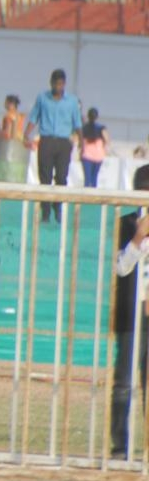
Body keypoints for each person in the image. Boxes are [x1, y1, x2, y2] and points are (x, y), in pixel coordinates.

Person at [110, 165, 149, 460]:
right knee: (124, 382)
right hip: (130, 317)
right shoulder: (125, 224)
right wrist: (138, 239)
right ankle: (120, 446)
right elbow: (121, 268)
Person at [27, 68, 82, 222]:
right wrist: (26, 134)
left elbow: (77, 122)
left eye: (61, 84)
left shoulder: (71, 101)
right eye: (55, 83)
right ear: (51, 83)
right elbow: (33, 117)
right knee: (44, 176)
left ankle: (57, 207)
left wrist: (81, 141)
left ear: (64, 84)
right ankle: (45, 211)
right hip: (46, 140)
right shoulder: (42, 98)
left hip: (64, 142)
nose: (58, 87)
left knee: (62, 177)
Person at [80, 108, 110, 188]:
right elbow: (107, 140)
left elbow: (81, 141)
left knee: (87, 179)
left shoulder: (84, 128)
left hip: (87, 155)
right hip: (98, 155)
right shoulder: (101, 128)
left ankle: (86, 197)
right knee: (94, 178)